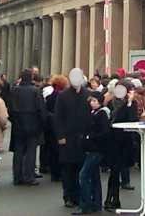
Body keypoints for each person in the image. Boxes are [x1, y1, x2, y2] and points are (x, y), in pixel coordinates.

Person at [55, 68, 92, 208]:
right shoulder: (63, 95)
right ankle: (68, 196)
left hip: (82, 138)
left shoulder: (87, 94)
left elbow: (90, 116)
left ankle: (78, 196)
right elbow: (57, 117)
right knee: (67, 168)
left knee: (80, 168)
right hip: (67, 137)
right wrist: (60, 136)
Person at [75, 91, 110, 215]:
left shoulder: (101, 114)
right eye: (91, 101)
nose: (92, 103)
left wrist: (90, 137)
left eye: (95, 101)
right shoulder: (93, 113)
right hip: (92, 149)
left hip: (96, 149)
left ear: (100, 102)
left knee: (83, 175)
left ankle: (86, 204)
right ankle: (96, 203)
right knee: (94, 177)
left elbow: (104, 132)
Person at [9, 68, 45, 186]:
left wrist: (14, 120)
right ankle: (29, 176)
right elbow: (41, 109)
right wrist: (42, 123)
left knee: (18, 151)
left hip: (18, 123)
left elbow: (10, 108)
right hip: (33, 123)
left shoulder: (14, 90)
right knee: (31, 151)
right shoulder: (35, 91)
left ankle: (17, 176)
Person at [105, 80, 136, 211]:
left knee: (117, 171)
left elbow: (132, 120)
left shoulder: (131, 104)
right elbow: (116, 119)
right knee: (114, 171)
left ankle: (112, 199)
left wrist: (129, 103)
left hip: (126, 141)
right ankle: (111, 199)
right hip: (113, 141)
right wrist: (127, 104)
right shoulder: (112, 103)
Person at [44, 75, 67, 183]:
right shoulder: (64, 97)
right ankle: (60, 172)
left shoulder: (49, 97)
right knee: (60, 150)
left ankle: (54, 173)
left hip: (50, 126)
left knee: (52, 149)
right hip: (61, 125)